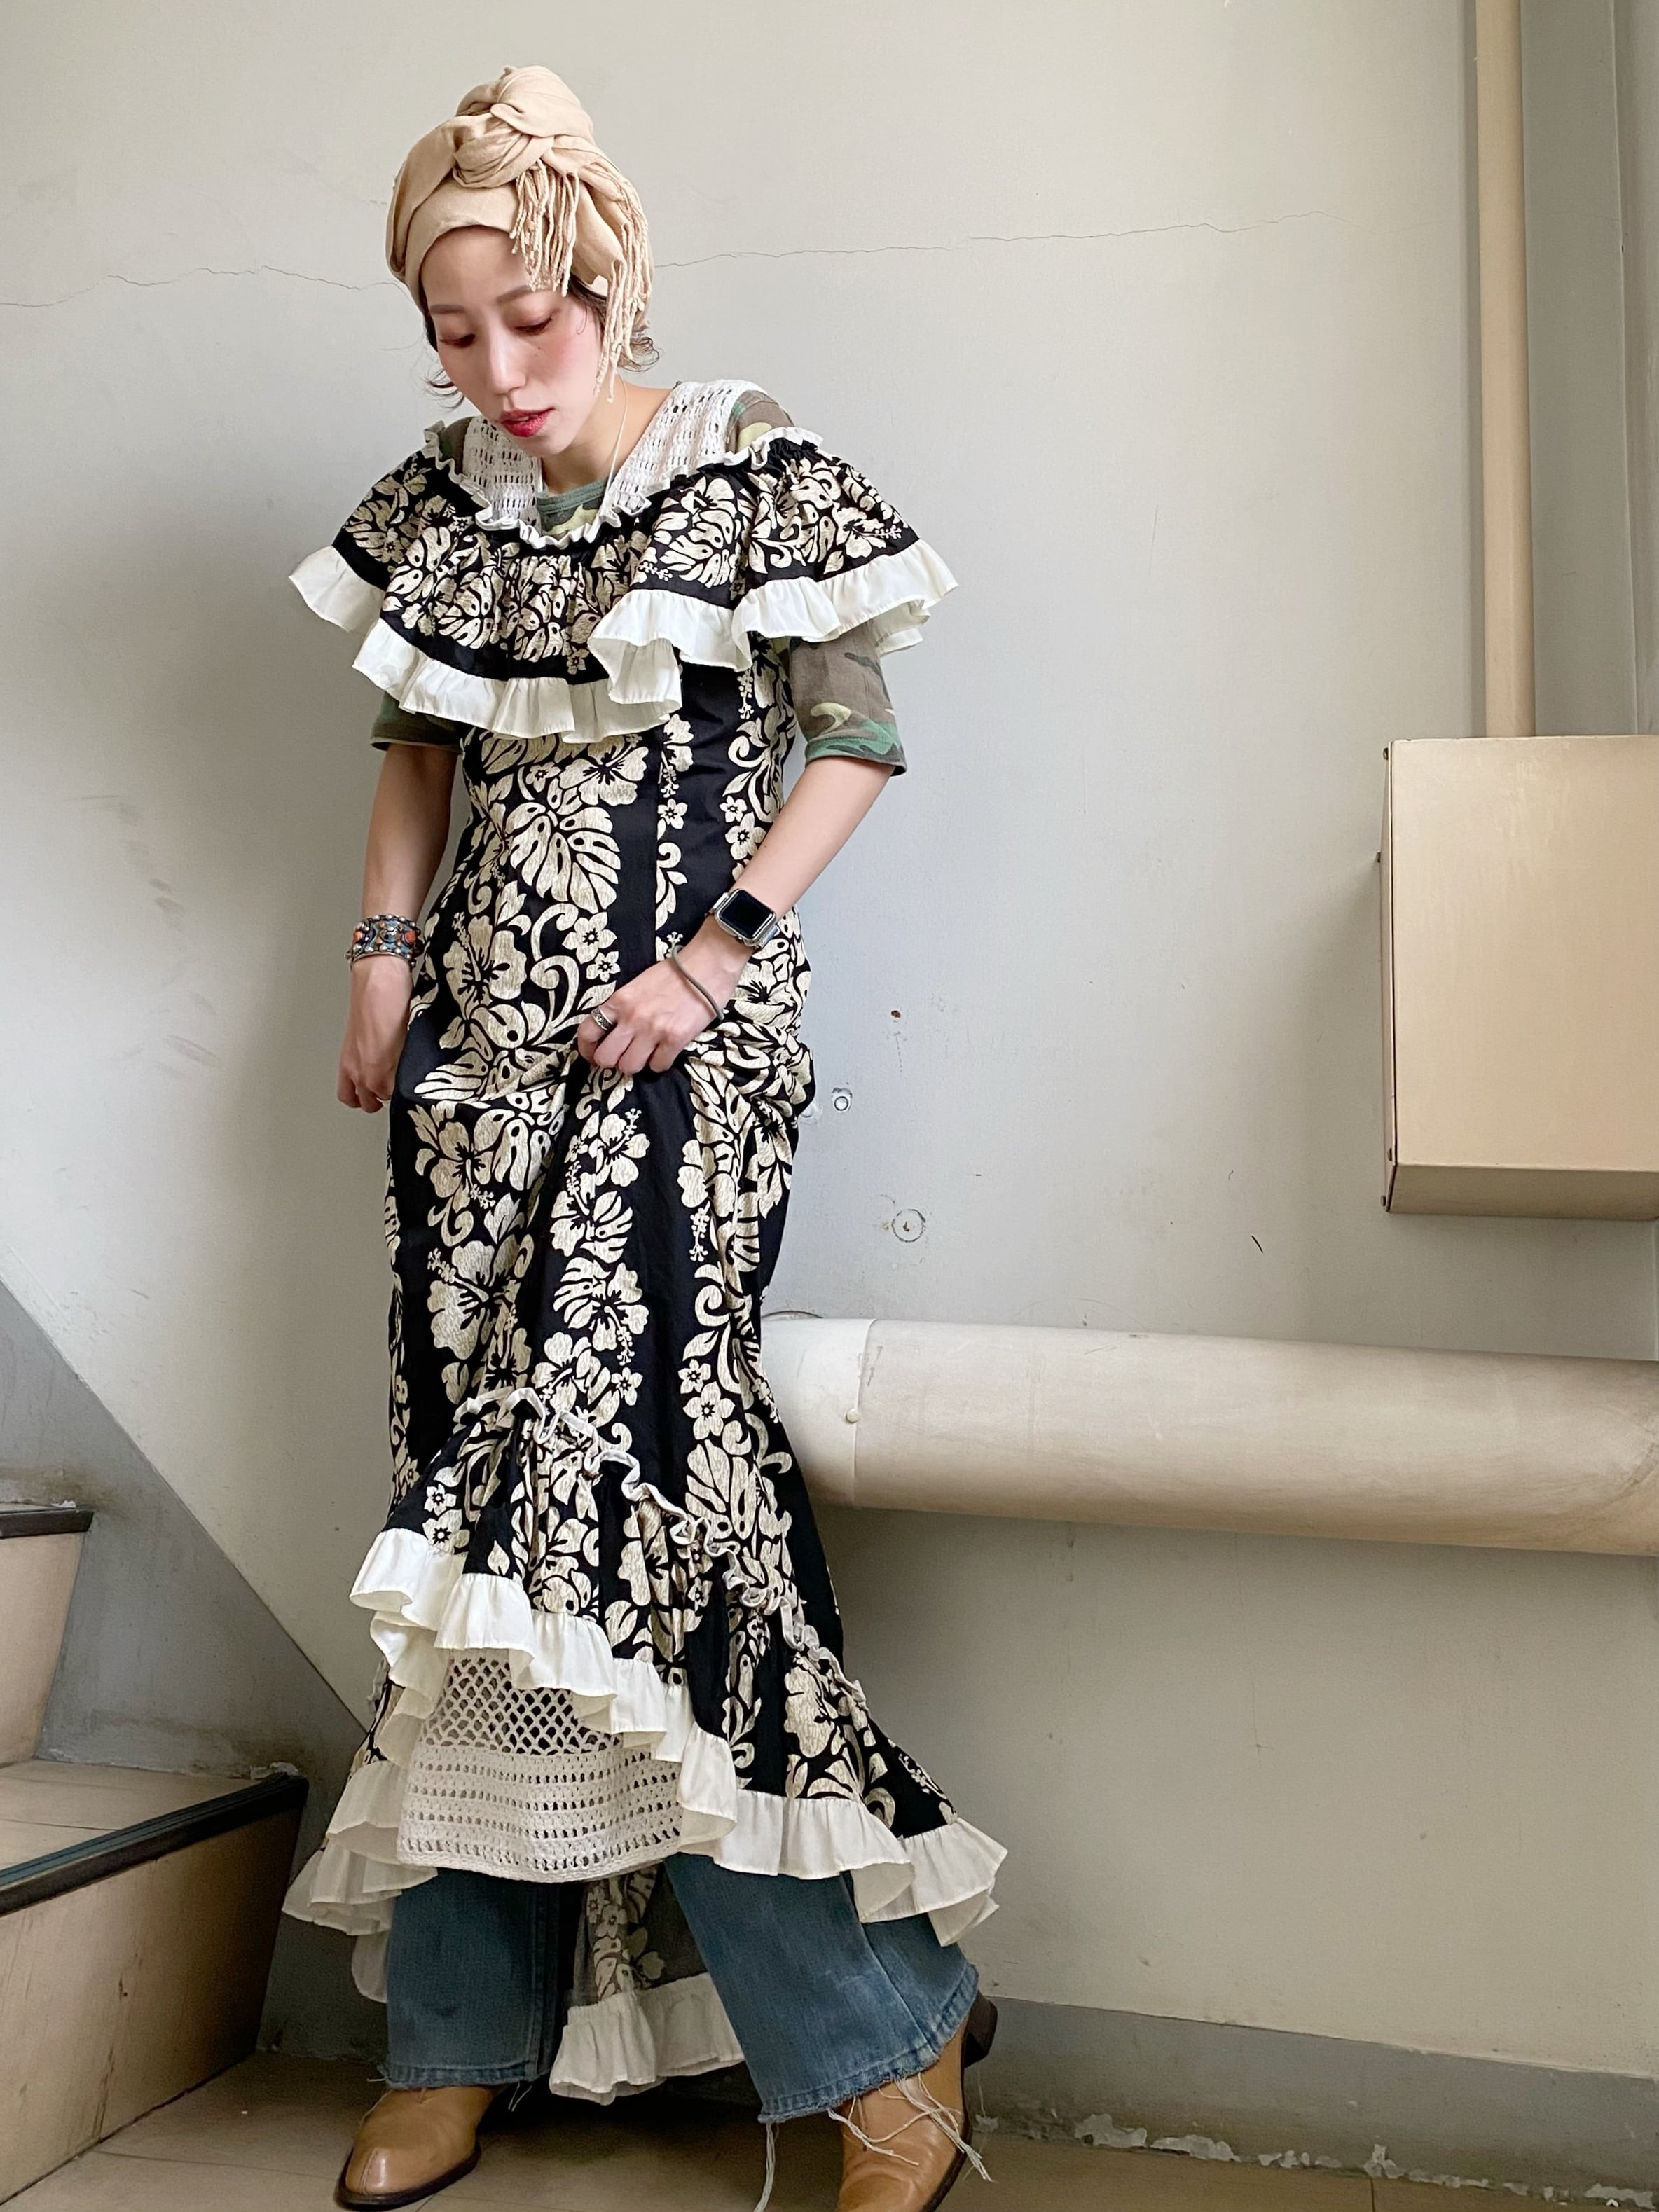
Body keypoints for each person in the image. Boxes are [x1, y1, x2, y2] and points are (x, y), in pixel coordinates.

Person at [282, 64, 1006, 2212]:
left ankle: (881, 2034)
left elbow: (858, 739)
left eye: (532, 320)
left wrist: (707, 959)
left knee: (641, 1490)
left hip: (685, 1044)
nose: (498, 370)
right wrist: (381, 959)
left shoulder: (747, 464)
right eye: (452, 331)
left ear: (607, 288)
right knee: (465, 1498)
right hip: (480, 1054)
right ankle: (461, 2026)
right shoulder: (447, 505)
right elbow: (417, 745)